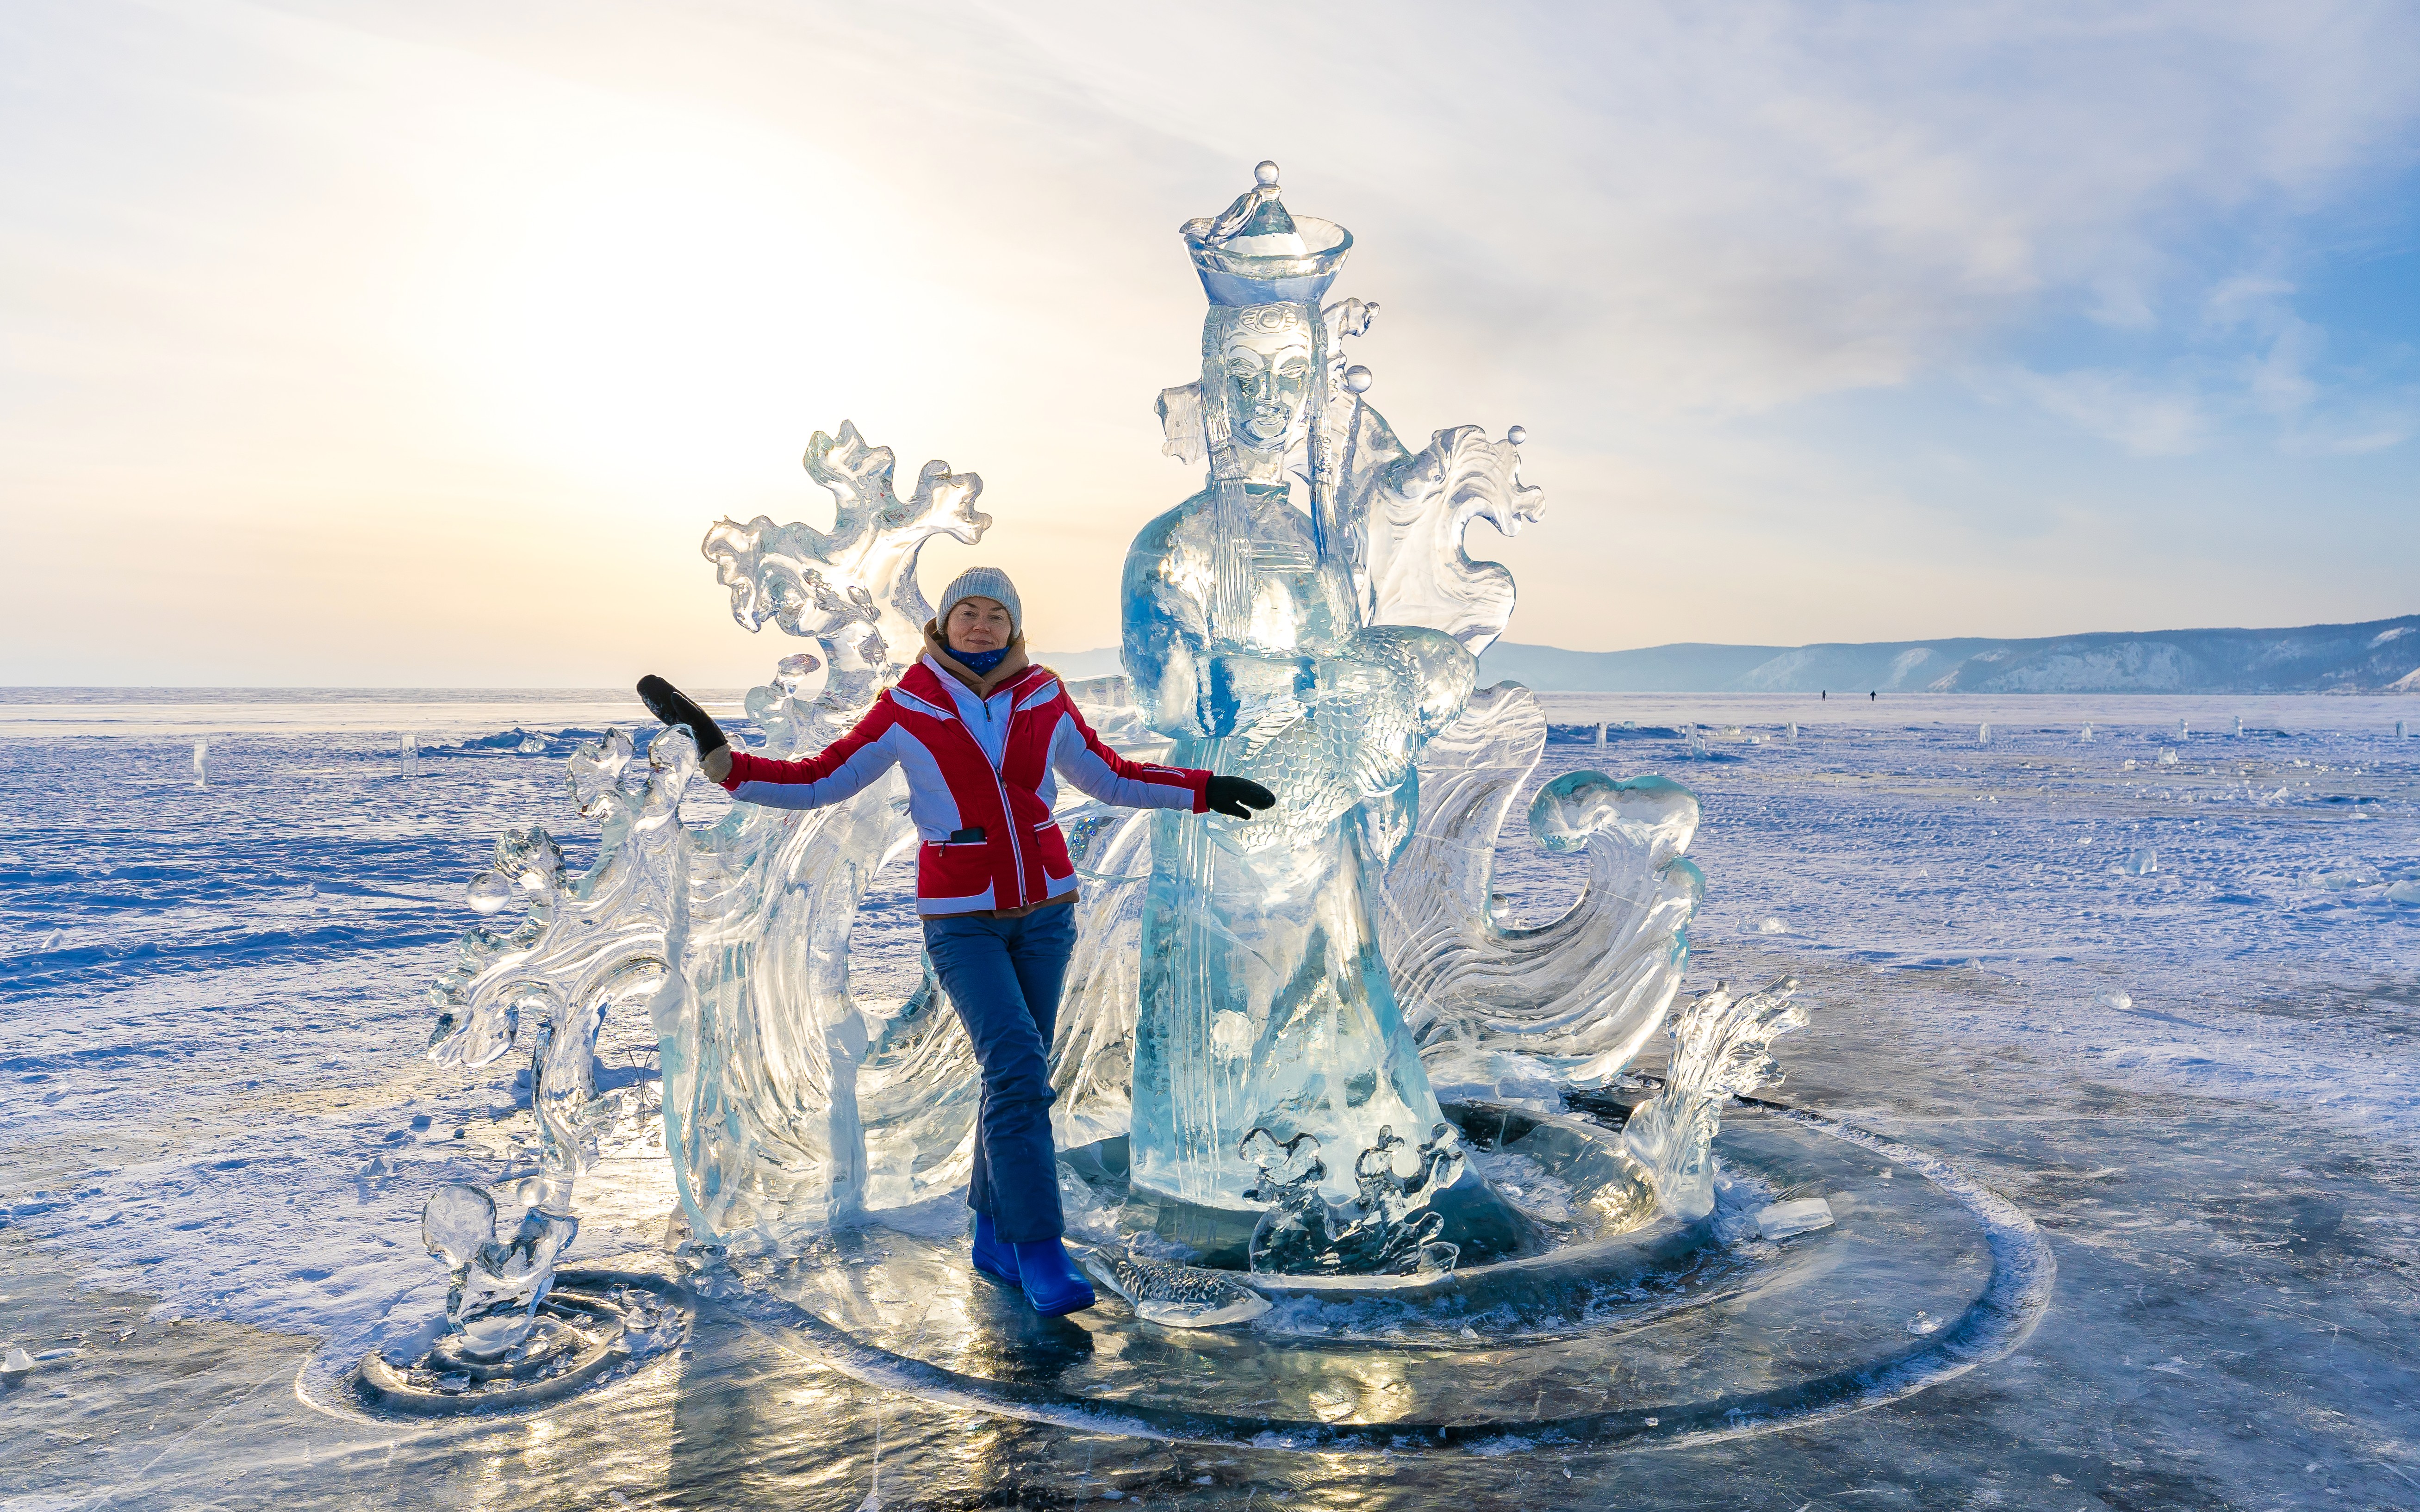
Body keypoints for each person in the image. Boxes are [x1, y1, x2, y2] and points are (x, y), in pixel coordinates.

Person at [635, 567, 1275, 1317]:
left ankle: (991, 1235)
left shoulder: (1043, 696)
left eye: (995, 614)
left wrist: (1202, 789)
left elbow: (1111, 778)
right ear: (942, 624)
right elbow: (817, 781)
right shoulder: (906, 707)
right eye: (966, 612)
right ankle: (1039, 1248)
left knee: (1016, 1080)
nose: (980, 625)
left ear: (1014, 627)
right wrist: (723, 762)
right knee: (1016, 1066)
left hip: (1047, 913)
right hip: (961, 918)